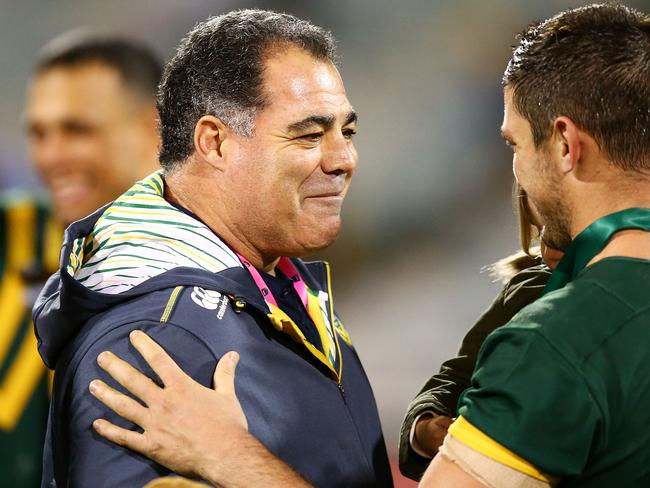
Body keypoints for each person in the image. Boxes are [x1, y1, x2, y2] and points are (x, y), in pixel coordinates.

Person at [85, 3, 650, 487]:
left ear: (567, 145)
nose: (343, 159)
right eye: (310, 133)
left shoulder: (559, 340)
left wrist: (231, 455)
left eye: (514, 144)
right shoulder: (163, 327)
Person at [33, 10, 392, 488]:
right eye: (309, 134)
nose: (343, 158)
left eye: (346, 132)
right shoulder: (151, 340)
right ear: (215, 142)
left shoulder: (276, 283)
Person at [0, 32, 161, 486]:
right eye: (38, 133)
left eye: (77, 130)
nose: (50, 157)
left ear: (154, 127)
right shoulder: (14, 239)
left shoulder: (221, 270)